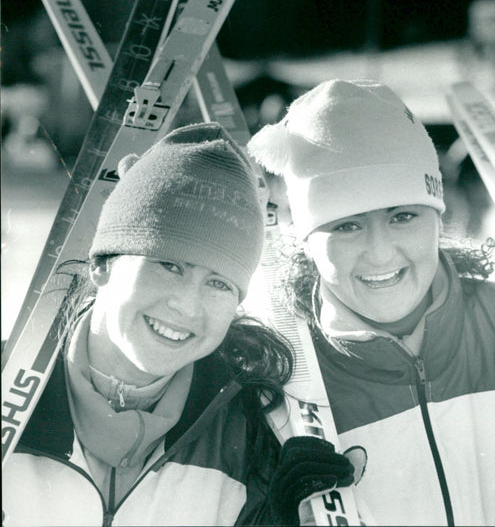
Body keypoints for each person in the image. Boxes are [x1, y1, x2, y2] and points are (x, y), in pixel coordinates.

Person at [247, 79, 495, 526]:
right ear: (308, 238)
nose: (380, 253)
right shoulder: (280, 381)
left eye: (402, 216)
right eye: (347, 226)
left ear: (437, 215)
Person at [2, 122, 359, 526]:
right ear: (103, 264)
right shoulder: (8, 386)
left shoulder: (250, 434)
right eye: (168, 265)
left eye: (218, 283)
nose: (187, 306)